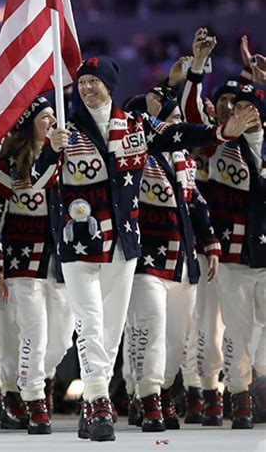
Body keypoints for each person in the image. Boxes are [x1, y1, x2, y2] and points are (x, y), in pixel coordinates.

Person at [29, 55, 258, 442]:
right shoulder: (66, 131)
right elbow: (37, 182)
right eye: (82, 83)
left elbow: (179, 135)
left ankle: (93, 401)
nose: (87, 88)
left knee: (113, 327)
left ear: (109, 85)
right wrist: (51, 149)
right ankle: (98, 399)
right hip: (79, 244)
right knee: (88, 319)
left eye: (93, 82)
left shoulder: (135, 125)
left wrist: (220, 133)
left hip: (123, 243)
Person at [181, 35, 266, 429]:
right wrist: (198, 67)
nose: (239, 111)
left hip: (261, 253)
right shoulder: (219, 145)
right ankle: (231, 394)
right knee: (219, 327)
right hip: (224, 251)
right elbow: (192, 119)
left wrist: (257, 78)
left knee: (255, 334)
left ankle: (252, 384)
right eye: (232, 103)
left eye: (248, 105)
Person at [124, 89, 221, 432]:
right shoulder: (137, 150)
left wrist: (209, 243)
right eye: (173, 119)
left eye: (180, 119)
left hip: (182, 259)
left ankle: (161, 389)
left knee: (177, 338)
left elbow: (195, 203)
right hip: (146, 258)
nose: (179, 125)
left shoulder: (186, 162)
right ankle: (148, 398)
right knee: (150, 329)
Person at [0, 96, 75, 434]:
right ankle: (30, 400)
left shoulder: (68, 160)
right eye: (44, 116)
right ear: (30, 123)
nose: (51, 121)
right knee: (29, 332)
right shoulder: (7, 166)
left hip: (62, 261)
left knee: (61, 339)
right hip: (21, 259)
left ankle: (35, 381)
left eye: (54, 115)